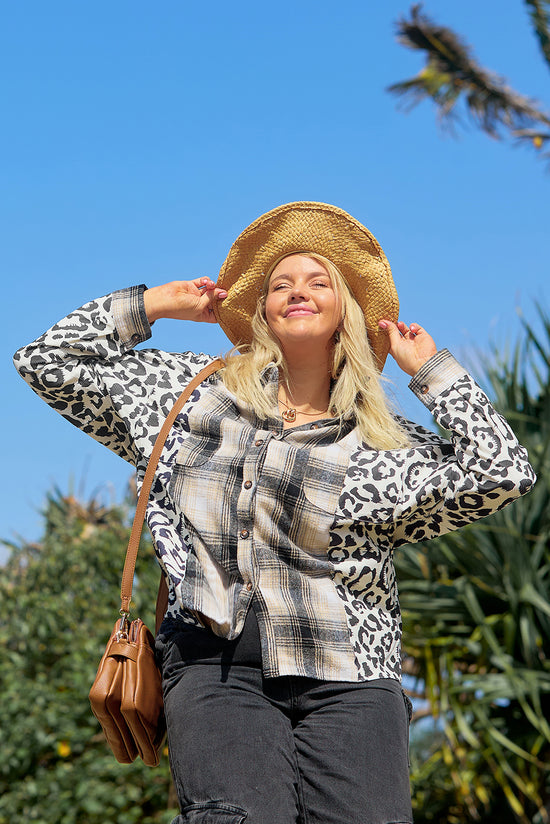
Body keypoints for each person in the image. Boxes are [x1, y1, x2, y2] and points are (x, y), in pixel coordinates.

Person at [14, 201, 535, 824]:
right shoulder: (191, 397)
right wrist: (153, 304)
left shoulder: (386, 444)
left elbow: (503, 473)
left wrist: (433, 374)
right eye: (281, 283)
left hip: (351, 677)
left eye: (319, 282)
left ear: (347, 308)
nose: (298, 291)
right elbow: (46, 361)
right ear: (259, 309)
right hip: (214, 668)